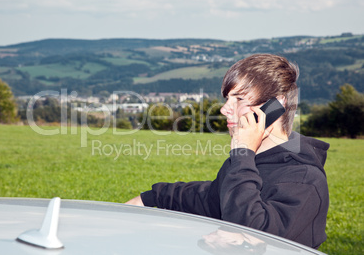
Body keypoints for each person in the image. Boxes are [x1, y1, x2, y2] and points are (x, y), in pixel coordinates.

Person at [125, 54, 330, 249]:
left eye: (239, 99)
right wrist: (151, 197)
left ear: (276, 105)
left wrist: (243, 151)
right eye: (227, 99)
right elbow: (211, 199)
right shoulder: (248, 163)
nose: (224, 109)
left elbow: (253, 231)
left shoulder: (304, 179)